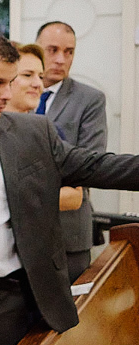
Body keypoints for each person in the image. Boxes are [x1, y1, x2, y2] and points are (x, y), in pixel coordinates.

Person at [0, 30, 139, 345]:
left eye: (11, 82)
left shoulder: (32, 132)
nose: (7, 94)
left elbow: (97, 166)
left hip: (4, 302)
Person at [36, 21, 107, 282]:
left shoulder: (89, 100)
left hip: (68, 232)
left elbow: (90, 164)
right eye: (52, 49)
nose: (60, 59)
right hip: (22, 236)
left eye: (69, 52)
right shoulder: (16, 95)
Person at [5, 43, 83, 212]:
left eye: (40, 77)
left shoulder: (48, 132)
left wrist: (10, 199)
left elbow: (75, 196)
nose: (38, 84)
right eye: (27, 75)